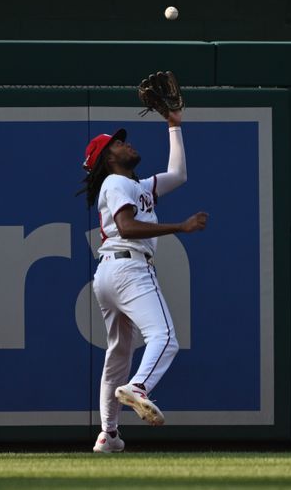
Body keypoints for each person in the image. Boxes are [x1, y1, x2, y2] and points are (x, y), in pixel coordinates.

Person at [79, 108, 208, 453]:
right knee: (165, 338)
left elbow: (177, 175)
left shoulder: (136, 185)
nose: (127, 144)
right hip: (129, 268)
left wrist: (174, 125)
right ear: (108, 156)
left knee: (117, 354)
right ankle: (138, 388)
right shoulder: (116, 182)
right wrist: (180, 227)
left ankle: (109, 435)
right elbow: (127, 228)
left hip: (108, 272)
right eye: (119, 143)